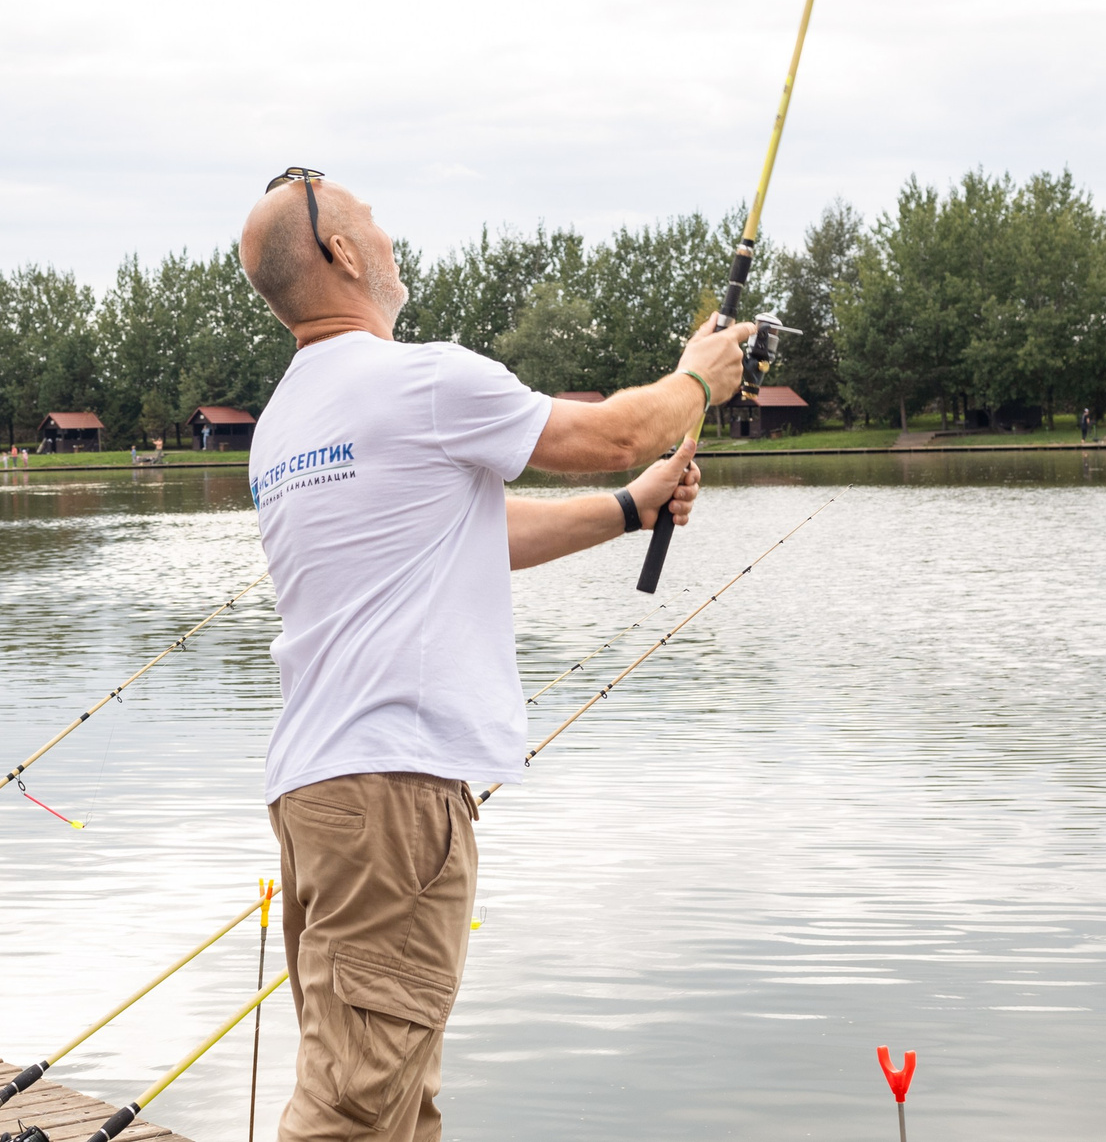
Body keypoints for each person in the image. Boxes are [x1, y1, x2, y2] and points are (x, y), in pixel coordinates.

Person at [238, 170, 738, 1142]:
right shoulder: (418, 378)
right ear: (340, 254)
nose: (386, 231)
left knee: (398, 1092)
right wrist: (698, 378)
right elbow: (616, 432)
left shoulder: (284, 423)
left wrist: (634, 507)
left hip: (317, 793)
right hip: (394, 791)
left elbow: (475, 531)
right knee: (353, 1100)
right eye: (369, 218)